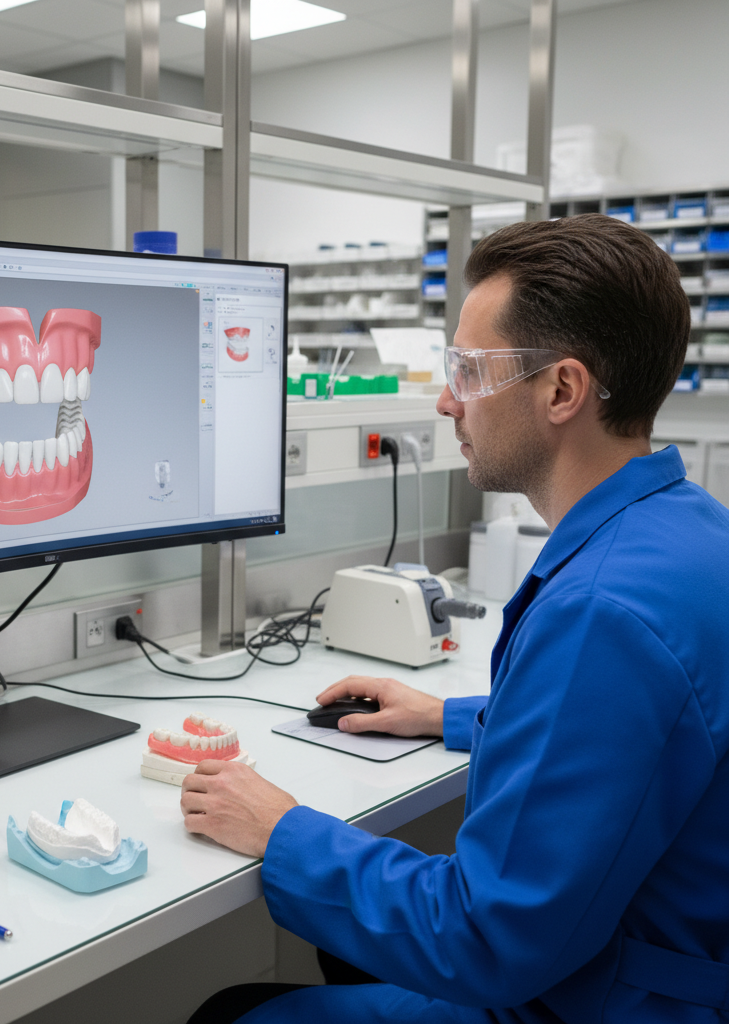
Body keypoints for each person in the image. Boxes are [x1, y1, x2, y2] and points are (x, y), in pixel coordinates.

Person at [181, 214, 729, 1023]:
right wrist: (450, 716)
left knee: (232, 1014)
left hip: (603, 1002)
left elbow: (484, 940)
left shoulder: (601, 613)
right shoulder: (690, 529)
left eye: (468, 371)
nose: (446, 402)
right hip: (640, 955)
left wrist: (282, 829)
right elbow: (641, 730)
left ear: (562, 390)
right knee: (348, 948)